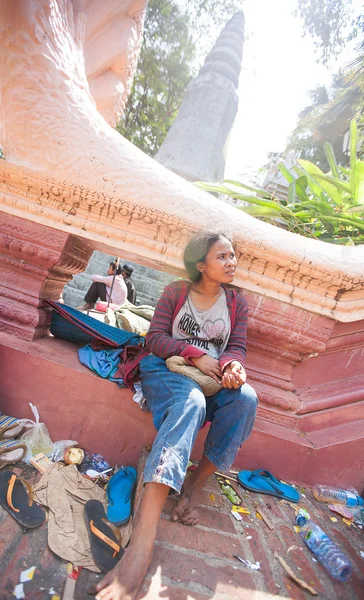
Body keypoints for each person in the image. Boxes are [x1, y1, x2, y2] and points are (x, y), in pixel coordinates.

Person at [95, 232, 258, 600]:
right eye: (223, 256)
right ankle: (142, 544)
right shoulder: (175, 292)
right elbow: (155, 338)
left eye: (234, 255)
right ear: (201, 264)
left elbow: (237, 346)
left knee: (246, 399)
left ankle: (194, 487)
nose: (232, 262)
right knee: (191, 405)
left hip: (211, 381)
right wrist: (192, 352)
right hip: (167, 372)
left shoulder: (236, 302)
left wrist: (233, 366)